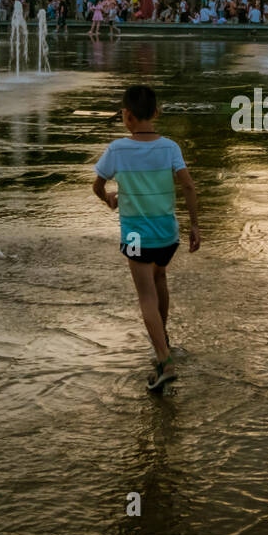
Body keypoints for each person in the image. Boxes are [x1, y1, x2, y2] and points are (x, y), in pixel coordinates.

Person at [92, 85, 201, 392]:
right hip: (168, 234)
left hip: (137, 236)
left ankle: (164, 361)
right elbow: (189, 188)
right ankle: (161, 338)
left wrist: (109, 199)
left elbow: (97, 185)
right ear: (156, 112)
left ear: (126, 116)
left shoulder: (117, 149)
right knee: (160, 279)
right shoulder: (170, 147)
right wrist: (194, 225)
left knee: (145, 295)